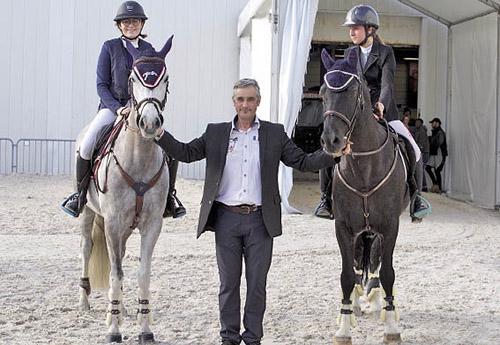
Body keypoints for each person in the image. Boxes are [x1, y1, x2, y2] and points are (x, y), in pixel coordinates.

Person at [154, 78, 347, 345]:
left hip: (260, 221)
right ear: (233, 102)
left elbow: (303, 161)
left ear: (258, 102)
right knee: (229, 284)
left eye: (250, 99)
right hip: (226, 220)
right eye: (240, 99)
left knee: (257, 285)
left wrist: (334, 154)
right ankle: (229, 339)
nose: (245, 104)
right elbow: (186, 153)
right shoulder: (216, 133)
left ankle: (253, 338)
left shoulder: (274, 133)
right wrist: (160, 135)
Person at [60, 1, 185, 219]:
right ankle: (79, 195)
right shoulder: (109, 47)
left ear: (142, 24)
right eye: (126, 22)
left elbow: (153, 84)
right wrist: (118, 109)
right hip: (113, 108)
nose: (131, 25)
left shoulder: (149, 51)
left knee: (168, 148)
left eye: (135, 21)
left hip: (142, 109)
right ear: (119, 25)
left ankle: (169, 199)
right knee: (87, 145)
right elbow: (101, 85)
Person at [314, 4, 430, 222]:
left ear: (370, 29)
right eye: (350, 28)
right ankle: (325, 200)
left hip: (385, 111)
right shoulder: (349, 54)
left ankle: (416, 198)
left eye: (355, 28)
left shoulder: (386, 53)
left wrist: (381, 105)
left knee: (414, 149)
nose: (351, 32)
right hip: (356, 114)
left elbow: (387, 85)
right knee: (330, 148)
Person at [426, 117, 447, 193]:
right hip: (434, 153)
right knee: (428, 168)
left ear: (437, 123)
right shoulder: (436, 132)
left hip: (439, 153)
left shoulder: (440, 132)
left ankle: (439, 188)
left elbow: (440, 143)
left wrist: (432, 142)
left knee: (437, 170)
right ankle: (436, 185)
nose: (432, 124)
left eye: (433, 122)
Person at [414, 118, 430, 191]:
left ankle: (424, 186)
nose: (416, 124)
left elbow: (422, 143)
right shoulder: (417, 131)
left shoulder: (422, 131)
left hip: (424, 152)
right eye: (416, 122)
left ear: (421, 123)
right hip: (421, 152)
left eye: (418, 122)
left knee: (420, 169)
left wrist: (419, 150)